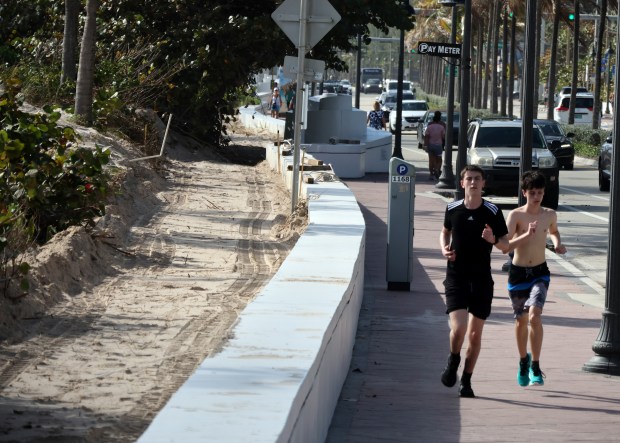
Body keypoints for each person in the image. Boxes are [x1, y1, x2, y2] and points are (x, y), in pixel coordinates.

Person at [440, 165, 509, 398]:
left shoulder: (492, 211)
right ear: (462, 184)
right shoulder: (452, 208)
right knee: (458, 329)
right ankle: (453, 360)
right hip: (456, 277)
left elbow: (505, 245)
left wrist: (492, 239)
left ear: (483, 184)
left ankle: (467, 381)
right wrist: (444, 248)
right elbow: (445, 231)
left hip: (481, 279)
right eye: (468, 179)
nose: (473, 183)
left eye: (477, 179)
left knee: (475, 336)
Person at [500, 171, 566, 387]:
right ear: (524, 193)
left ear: (544, 193)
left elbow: (554, 231)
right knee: (521, 321)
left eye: (539, 193)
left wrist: (556, 243)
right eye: (532, 193)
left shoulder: (549, 215)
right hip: (518, 273)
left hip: (540, 272)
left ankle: (536, 365)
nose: (536, 197)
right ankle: (523, 361)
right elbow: (506, 245)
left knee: (535, 316)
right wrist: (526, 235)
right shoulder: (516, 216)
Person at [424, 111, 446, 180]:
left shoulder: (430, 125)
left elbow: (426, 136)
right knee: (439, 159)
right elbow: (444, 137)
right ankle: (437, 169)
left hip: (430, 145)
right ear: (440, 117)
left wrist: (425, 145)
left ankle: (431, 174)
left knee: (431, 159)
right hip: (439, 145)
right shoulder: (442, 125)